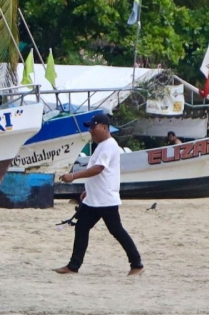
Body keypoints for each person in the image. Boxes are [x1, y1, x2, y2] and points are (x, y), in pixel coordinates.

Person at [54, 114, 144, 276]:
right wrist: (89, 190)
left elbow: (98, 168)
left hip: (105, 199)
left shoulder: (109, 145)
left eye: (93, 127)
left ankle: (137, 264)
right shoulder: (103, 146)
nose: (90, 130)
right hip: (96, 198)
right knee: (82, 227)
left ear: (104, 127)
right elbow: (101, 173)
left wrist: (73, 176)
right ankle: (73, 266)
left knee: (116, 230)